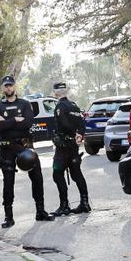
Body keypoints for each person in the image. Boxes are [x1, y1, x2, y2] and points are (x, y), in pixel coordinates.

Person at [0, 75, 54, 228]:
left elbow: (27, 123)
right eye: (6, 86)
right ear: (2, 88)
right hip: (7, 148)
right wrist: (15, 120)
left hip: (25, 145)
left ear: (15, 87)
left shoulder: (25, 104)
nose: (8, 88)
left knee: (37, 178)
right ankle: (8, 217)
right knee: (8, 182)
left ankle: (40, 211)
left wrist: (6, 122)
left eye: (11, 85)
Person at [50, 82, 91, 215]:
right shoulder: (74, 105)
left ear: (55, 92)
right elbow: (82, 122)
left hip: (63, 147)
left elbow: (64, 123)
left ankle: (64, 205)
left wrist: (74, 134)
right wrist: (80, 135)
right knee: (76, 174)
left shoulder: (60, 106)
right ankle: (85, 203)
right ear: (66, 91)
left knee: (57, 174)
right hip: (73, 146)